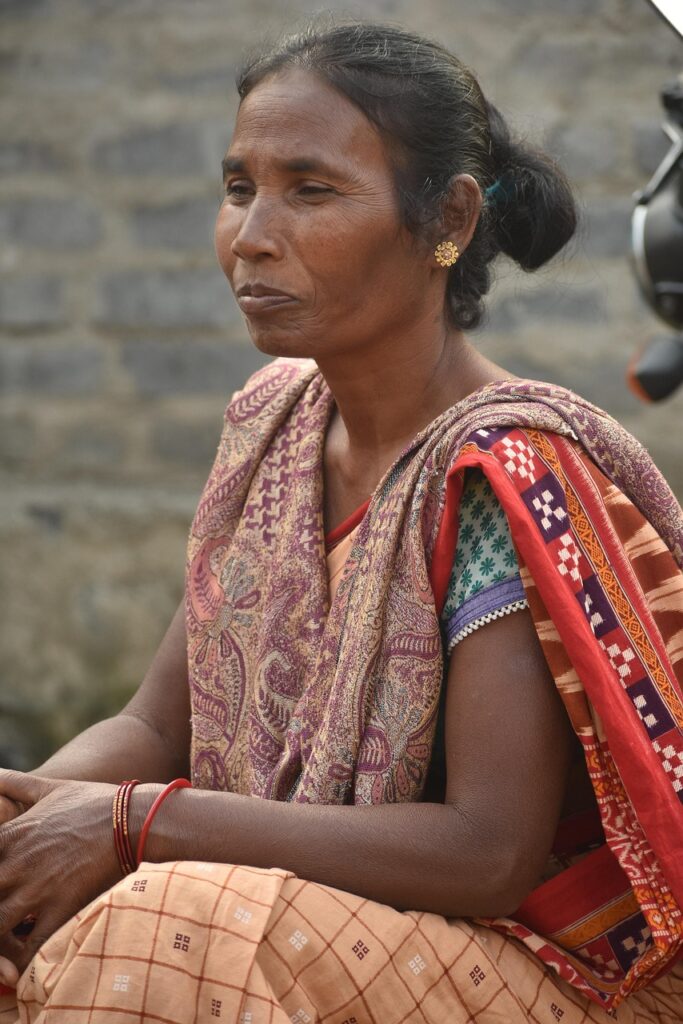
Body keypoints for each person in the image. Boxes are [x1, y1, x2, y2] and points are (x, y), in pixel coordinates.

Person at [1, 19, 682, 1024]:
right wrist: (30, 817)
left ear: (445, 219)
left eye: (310, 190)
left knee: (160, 934)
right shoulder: (271, 428)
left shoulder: (495, 474)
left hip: (535, 961)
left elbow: (487, 850)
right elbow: (154, 723)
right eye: (239, 188)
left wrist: (137, 824)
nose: (253, 234)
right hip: (323, 917)